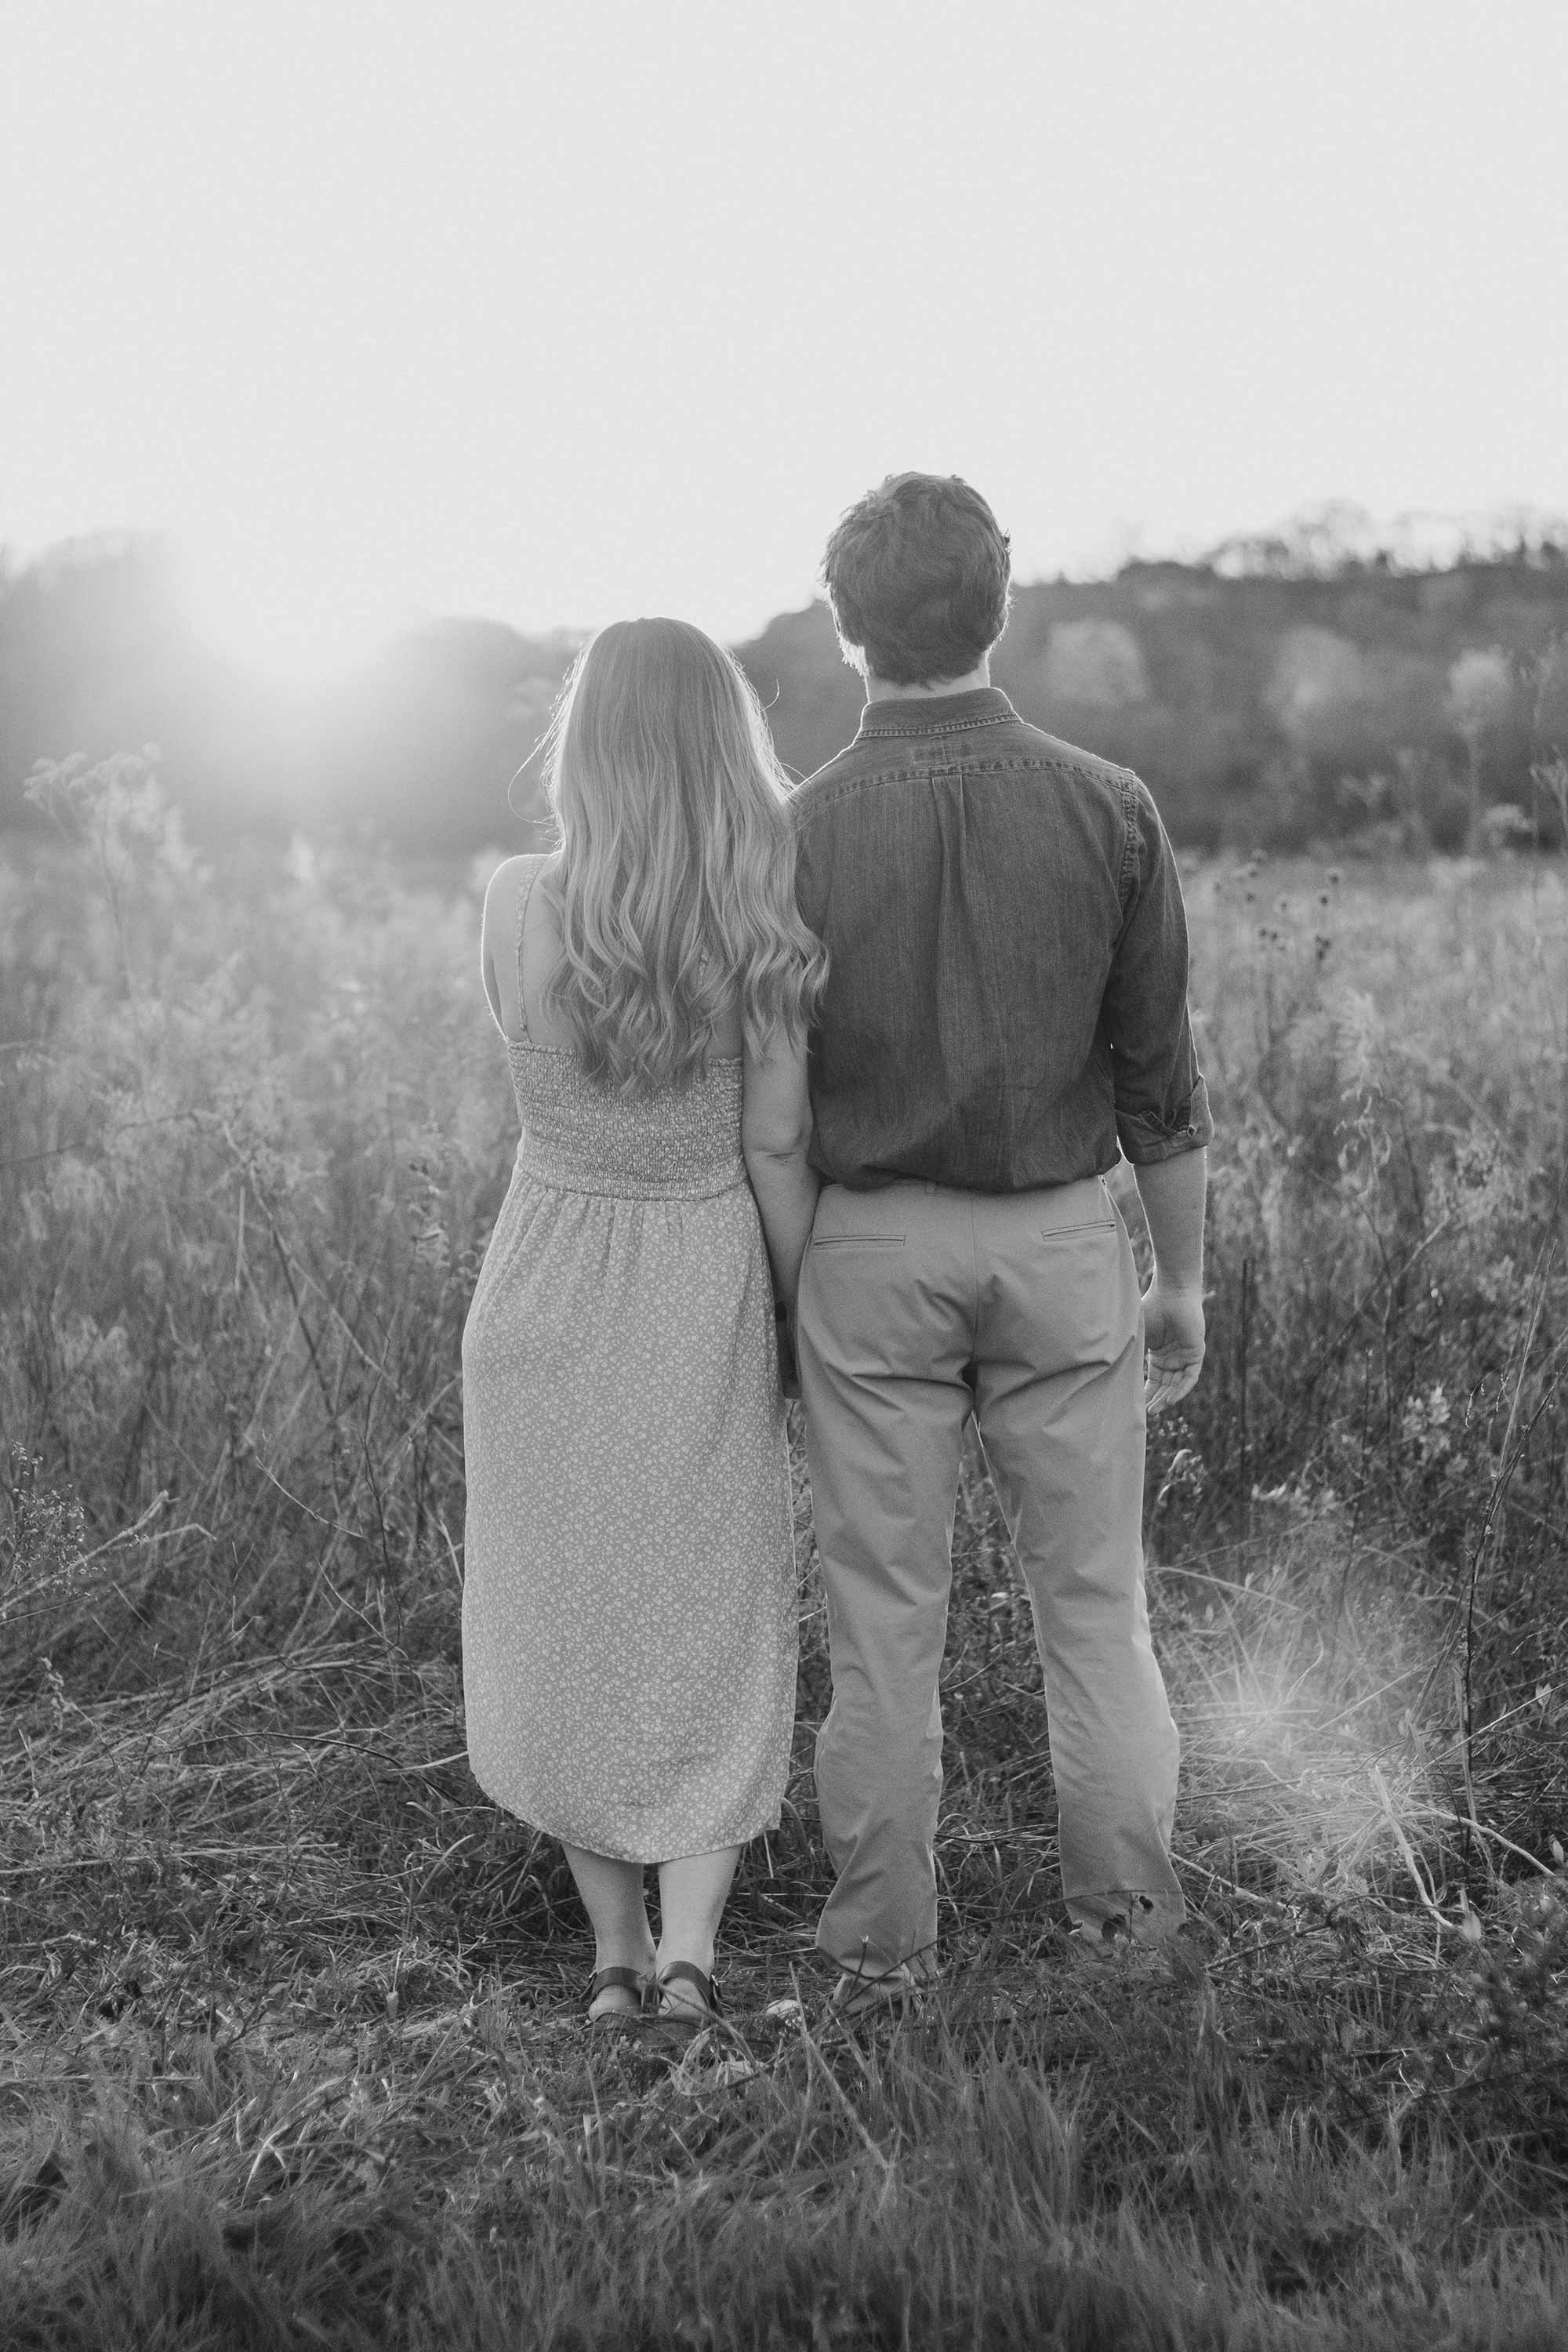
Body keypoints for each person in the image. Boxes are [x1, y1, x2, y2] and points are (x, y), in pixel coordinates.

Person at [791, 474, 1212, 2017]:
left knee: (879, 1618)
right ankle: (1127, 1941)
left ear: (848, 630)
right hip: (1061, 1245)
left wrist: (788, 1283)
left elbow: (772, 1102)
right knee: (1094, 1605)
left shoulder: (802, 831)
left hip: (870, 1250)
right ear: (999, 608)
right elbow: (1159, 1084)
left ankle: (879, 1960)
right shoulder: (1110, 808)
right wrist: (1184, 1283)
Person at [460, 617, 825, 2027]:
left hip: (542, 1280)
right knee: (709, 1619)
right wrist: (798, 1321)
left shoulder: (516, 901)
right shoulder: (759, 907)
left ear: (586, 741)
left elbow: (526, 1078)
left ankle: (609, 1959)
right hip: (701, 1281)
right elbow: (779, 1142)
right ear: (722, 746)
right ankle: (691, 1958)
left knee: (556, 1620)